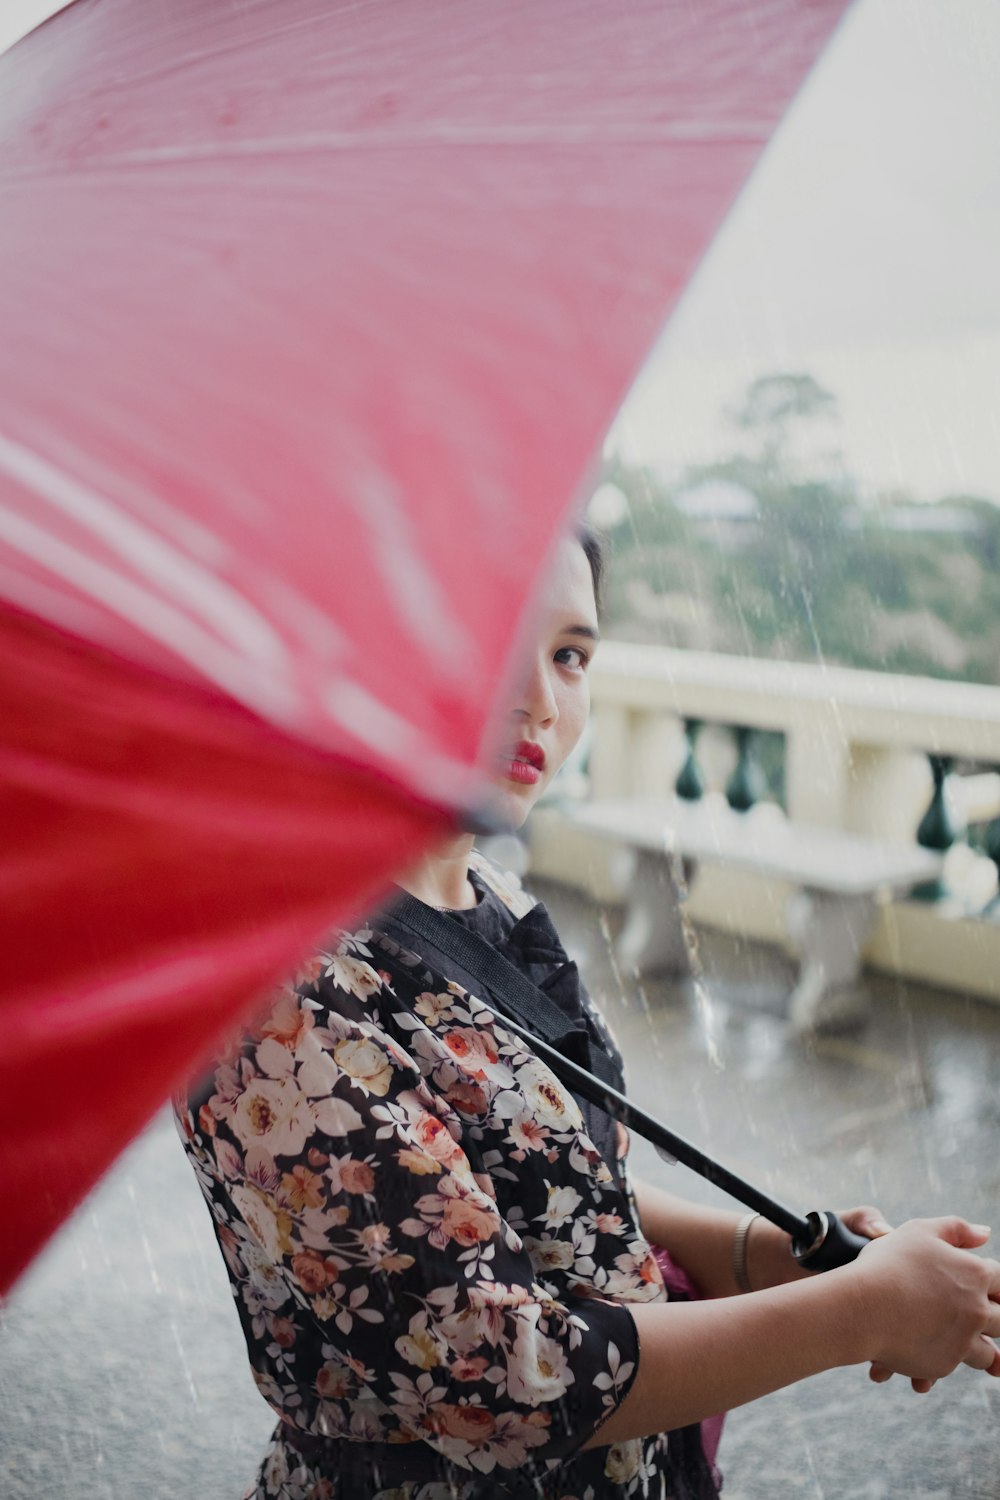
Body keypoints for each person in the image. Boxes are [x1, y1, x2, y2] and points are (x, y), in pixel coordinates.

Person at [176, 526, 1000, 1500]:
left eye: (570, 655)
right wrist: (860, 1312)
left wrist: (754, 1252)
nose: (540, 699)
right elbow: (511, 1381)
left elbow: (531, 1170)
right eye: (490, 648)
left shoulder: (486, 894)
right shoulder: (278, 998)